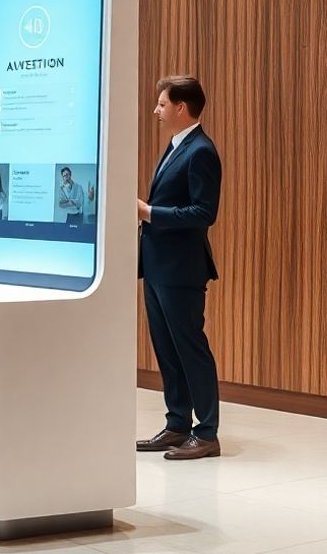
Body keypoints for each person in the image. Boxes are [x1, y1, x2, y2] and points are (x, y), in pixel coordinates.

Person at [136, 75, 222, 461]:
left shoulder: (201, 151)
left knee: (190, 349)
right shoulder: (176, 146)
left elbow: (204, 213)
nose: (156, 110)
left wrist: (148, 212)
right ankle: (177, 424)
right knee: (167, 350)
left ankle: (206, 433)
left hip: (182, 269)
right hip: (157, 266)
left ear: (180, 107)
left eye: (161, 104)